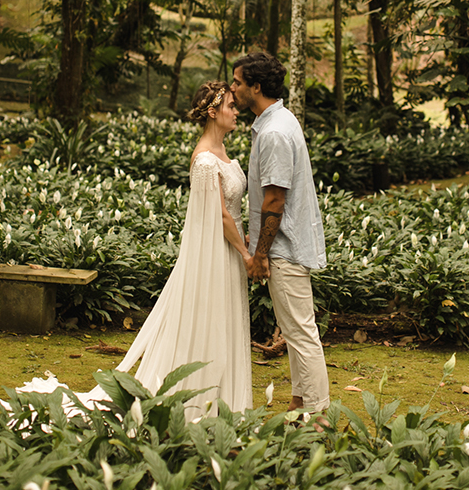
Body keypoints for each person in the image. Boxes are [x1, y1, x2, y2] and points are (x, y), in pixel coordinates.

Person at [82, 81, 252, 418]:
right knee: (210, 323)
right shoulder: (204, 160)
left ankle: (227, 402)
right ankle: (194, 403)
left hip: (230, 253)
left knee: (228, 323)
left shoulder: (223, 155)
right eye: (231, 106)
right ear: (212, 111)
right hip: (214, 256)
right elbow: (218, 214)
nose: (236, 112)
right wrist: (246, 254)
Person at [230, 52, 330, 419]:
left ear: (256, 87)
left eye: (238, 82)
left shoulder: (273, 133)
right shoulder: (280, 121)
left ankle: (318, 416)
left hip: (284, 248)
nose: (233, 88)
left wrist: (260, 253)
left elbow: (275, 199)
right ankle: (299, 403)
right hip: (289, 244)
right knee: (297, 331)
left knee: (302, 336)